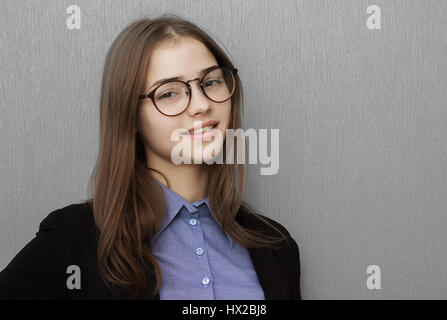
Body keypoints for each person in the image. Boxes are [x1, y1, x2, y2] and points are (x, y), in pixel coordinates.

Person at [0, 14, 301, 300]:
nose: (200, 105)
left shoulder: (276, 246)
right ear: (129, 116)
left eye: (210, 82)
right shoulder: (72, 240)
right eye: (169, 93)